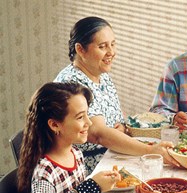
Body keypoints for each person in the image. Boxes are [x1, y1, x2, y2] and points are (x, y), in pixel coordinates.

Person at [54, 16, 179, 173]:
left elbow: (114, 123)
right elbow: (98, 134)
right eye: (102, 46)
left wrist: (120, 129)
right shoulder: (72, 84)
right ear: (80, 49)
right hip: (85, 169)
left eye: (113, 44)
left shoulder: (101, 75)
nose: (111, 52)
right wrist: (150, 150)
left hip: (111, 156)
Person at [17, 82, 121, 193]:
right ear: (54, 124)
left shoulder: (76, 153)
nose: (89, 122)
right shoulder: (45, 170)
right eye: (80, 117)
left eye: (87, 114)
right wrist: (92, 187)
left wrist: (100, 184)